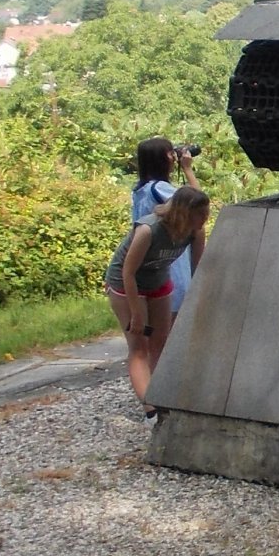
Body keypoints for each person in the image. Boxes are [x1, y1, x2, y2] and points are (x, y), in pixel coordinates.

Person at [104, 185, 212, 415]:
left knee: (160, 341)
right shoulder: (149, 229)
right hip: (126, 284)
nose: (205, 219)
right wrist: (136, 313)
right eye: (200, 214)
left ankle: (162, 396)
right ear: (184, 213)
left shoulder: (195, 231)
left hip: (158, 280)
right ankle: (150, 407)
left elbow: (198, 269)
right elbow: (128, 272)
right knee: (139, 345)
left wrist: (199, 305)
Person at [131, 136, 199, 314]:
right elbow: (198, 201)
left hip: (150, 257)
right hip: (170, 259)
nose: (175, 156)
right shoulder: (159, 187)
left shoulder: (141, 189)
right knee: (172, 319)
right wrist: (187, 169)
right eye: (171, 153)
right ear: (162, 160)